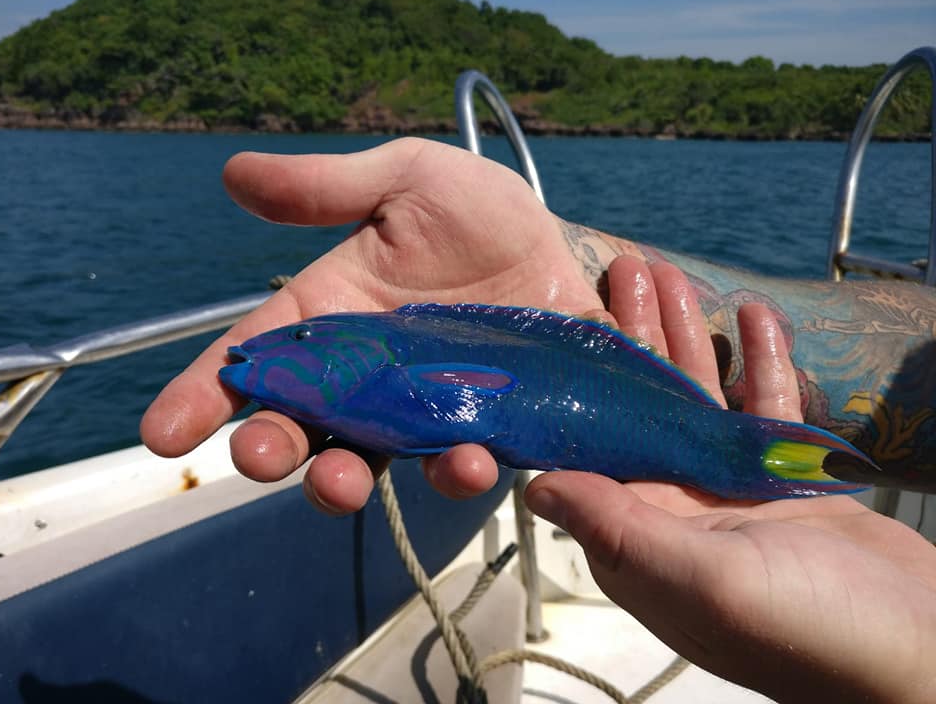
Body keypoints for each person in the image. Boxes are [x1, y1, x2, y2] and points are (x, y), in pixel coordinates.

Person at [141, 138, 936, 703]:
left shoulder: (380, 359)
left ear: (346, 343)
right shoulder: (371, 357)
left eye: (313, 339)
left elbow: (463, 396)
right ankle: (763, 459)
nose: (285, 348)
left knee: (707, 451)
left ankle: (748, 459)